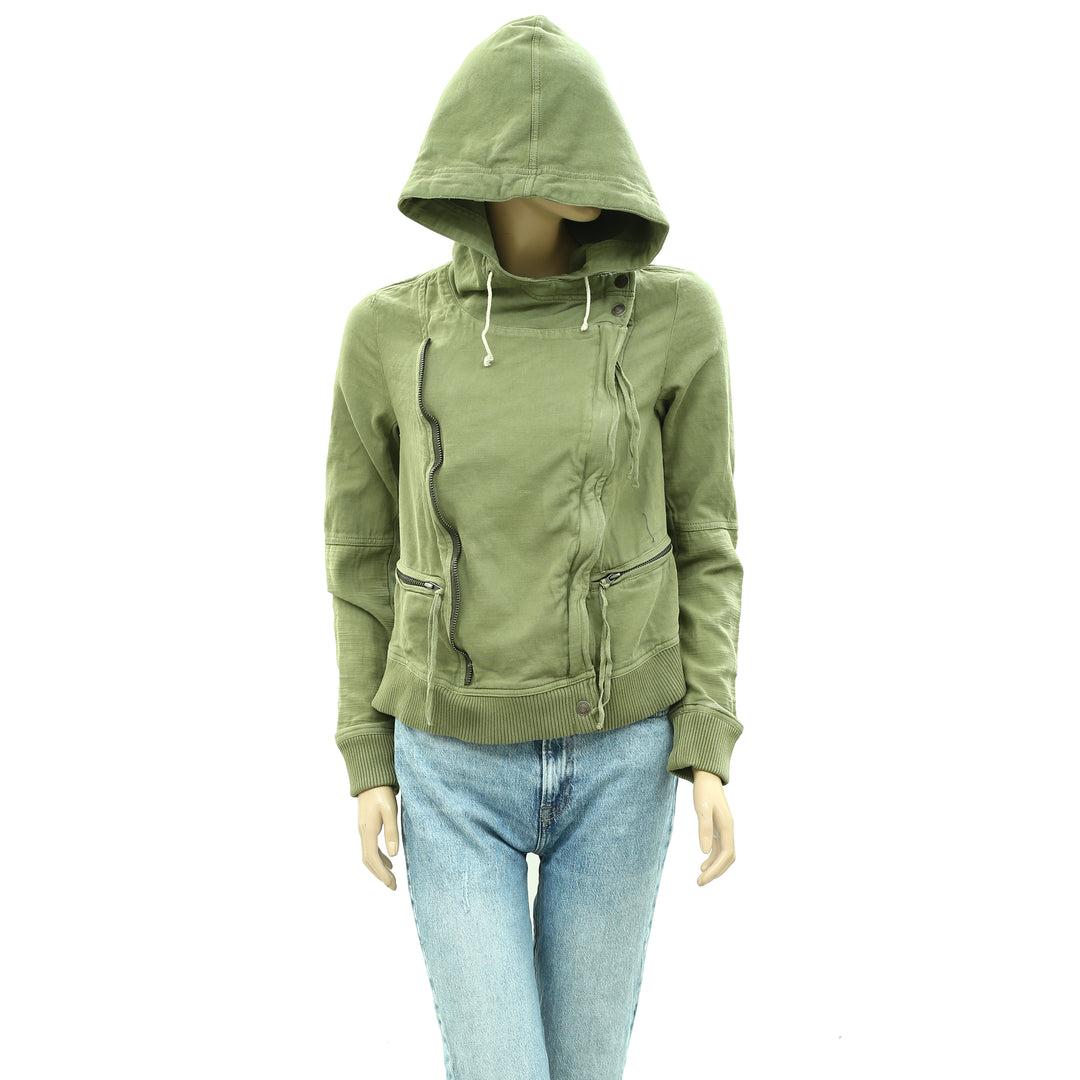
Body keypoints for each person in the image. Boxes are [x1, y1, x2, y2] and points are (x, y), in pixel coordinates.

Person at [324, 15, 744, 1080]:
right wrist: (366, 752)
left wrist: (707, 739)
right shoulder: (386, 332)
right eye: (562, 143)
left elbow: (707, 535)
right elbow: (358, 554)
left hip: (622, 759)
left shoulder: (677, 318)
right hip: (449, 764)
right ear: (489, 161)